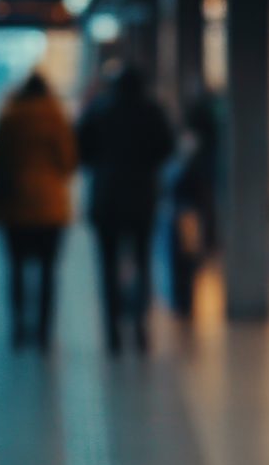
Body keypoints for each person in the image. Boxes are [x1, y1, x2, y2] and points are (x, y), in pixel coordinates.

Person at [78, 64, 174, 354]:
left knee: (107, 264)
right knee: (142, 260)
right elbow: (166, 147)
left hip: (107, 197)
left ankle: (112, 331)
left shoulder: (99, 110)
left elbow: (81, 149)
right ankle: (140, 324)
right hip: (142, 197)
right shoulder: (152, 111)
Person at [0, 72, 78, 352]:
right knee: (48, 271)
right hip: (51, 209)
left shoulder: (9, 118)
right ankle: (44, 332)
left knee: (15, 269)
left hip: (15, 206)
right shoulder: (57, 119)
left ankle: (18, 328)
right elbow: (68, 162)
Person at [167, 91, 221, 317]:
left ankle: (182, 300)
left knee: (184, 251)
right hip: (193, 205)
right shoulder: (206, 153)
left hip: (184, 207)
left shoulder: (189, 150)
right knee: (188, 250)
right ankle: (183, 299)